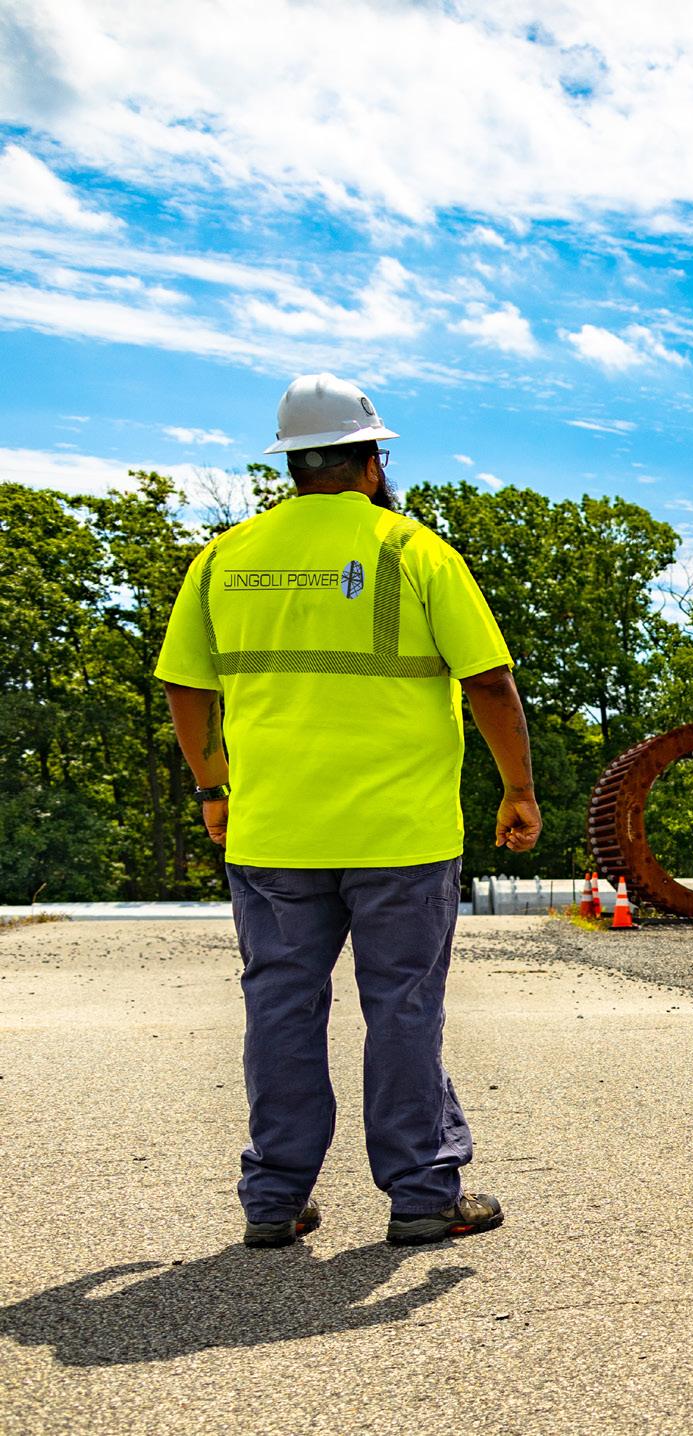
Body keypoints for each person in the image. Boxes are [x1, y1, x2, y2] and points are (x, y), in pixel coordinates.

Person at [155, 373, 540, 1249]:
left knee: (280, 1008)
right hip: (400, 835)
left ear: (291, 465)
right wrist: (518, 790)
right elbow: (488, 681)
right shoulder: (412, 551)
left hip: (273, 832)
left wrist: (213, 787)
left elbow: (186, 685)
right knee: (403, 1007)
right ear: (371, 461)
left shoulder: (224, 558)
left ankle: (274, 1200)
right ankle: (421, 1195)